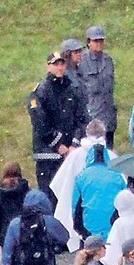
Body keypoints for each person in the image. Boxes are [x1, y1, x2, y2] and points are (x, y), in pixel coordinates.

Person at [27, 50, 86, 202]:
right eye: (56, 64)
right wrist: (58, 144)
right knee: (49, 198)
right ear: (48, 66)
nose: (60, 67)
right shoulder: (41, 91)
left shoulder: (71, 89)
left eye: (62, 64)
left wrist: (74, 143)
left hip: (69, 154)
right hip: (47, 155)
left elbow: (81, 118)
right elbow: (40, 123)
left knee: (69, 198)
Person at [50, 118, 114, 251]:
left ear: (87, 133)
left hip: (83, 211)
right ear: (104, 134)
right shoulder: (111, 156)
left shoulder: (75, 155)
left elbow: (61, 183)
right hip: (107, 211)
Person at [71, 142, 127, 240]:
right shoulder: (117, 175)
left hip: (89, 229)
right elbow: (126, 201)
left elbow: (75, 207)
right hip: (114, 229)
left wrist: (80, 230)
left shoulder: (81, 177)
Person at [77, 27, 117, 147]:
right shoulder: (82, 62)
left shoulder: (108, 60)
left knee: (109, 150)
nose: (99, 43)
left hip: (108, 114)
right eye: (95, 41)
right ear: (88, 42)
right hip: (92, 115)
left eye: (101, 40)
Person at [0, 162, 29, 248]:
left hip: (6, 232)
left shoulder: (0, 193)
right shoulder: (26, 190)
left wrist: (0, 237)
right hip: (24, 230)